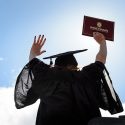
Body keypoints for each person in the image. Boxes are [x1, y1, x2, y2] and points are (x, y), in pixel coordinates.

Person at [14, 32, 123, 125]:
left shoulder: (47, 75)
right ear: (75, 65)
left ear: (56, 65)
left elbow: (32, 62)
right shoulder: (87, 75)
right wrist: (102, 42)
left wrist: (33, 52)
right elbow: (101, 59)